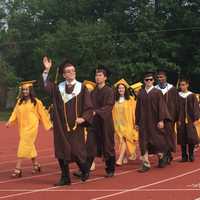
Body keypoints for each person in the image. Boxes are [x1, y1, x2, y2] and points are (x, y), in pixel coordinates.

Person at [42, 56, 93, 186]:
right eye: (68, 71)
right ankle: (65, 178)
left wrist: (84, 118)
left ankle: (84, 169)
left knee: (77, 150)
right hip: (61, 125)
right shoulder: (58, 88)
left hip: (76, 125)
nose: (71, 73)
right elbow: (47, 87)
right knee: (61, 150)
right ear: (63, 75)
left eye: (73, 71)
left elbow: (88, 106)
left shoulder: (82, 88)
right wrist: (47, 70)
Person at [6, 80, 52, 178]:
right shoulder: (20, 101)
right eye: (23, 90)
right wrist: (10, 121)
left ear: (30, 90)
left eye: (27, 89)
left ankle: (18, 169)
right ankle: (36, 164)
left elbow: (42, 114)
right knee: (29, 145)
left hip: (32, 127)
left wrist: (48, 125)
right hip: (22, 126)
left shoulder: (36, 102)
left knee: (23, 144)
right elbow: (15, 112)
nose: (25, 92)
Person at [135, 72, 171, 172]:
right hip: (143, 122)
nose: (149, 81)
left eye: (150, 80)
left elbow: (162, 107)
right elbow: (137, 109)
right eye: (147, 80)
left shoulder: (157, 92)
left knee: (157, 142)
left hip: (154, 121)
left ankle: (161, 155)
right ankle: (146, 164)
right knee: (143, 142)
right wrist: (137, 122)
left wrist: (161, 120)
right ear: (144, 81)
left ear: (153, 81)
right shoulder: (141, 93)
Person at [89, 65, 116, 177]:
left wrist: (97, 112)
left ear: (105, 78)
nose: (97, 77)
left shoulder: (109, 91)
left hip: (105, 123)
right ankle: (85, 170)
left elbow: (109, 106)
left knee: (108, 146)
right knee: (90, 145)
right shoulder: (93, 92)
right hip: (94, 123)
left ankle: (110, 169)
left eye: (100, 75)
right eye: (96, 75)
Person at [155, 69, 179, 163]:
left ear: (165, 77)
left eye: (161, 77)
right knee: (160, 137)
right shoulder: (155, 89)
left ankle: (167, 153)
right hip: (158, 118)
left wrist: (177, 117)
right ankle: (164, 156)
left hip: (170, 117)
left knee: (168, 136)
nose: (160, 79)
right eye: (158, 77)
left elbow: (176, 104)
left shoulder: (172, 89)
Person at [112, 79, 138, 166]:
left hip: (128, 124)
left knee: (124, 139)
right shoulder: (114, 101)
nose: (121, 90)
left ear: (125, 89)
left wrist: (135, 123)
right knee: (119, 141)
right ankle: (124, 156)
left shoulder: (130, 100)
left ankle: (119, 159)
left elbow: (134, 112)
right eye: (119, 88)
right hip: (118, 124)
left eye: (122, 88)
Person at [177, 79, 200, 162]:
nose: (182, 87)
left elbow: (196, 108)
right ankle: (184, 156)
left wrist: (196, 118)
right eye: (180, 85)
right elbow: (176, 108)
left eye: (183, 85)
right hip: (181, 119)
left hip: (190, 119)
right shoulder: (178, 95)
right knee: (182, 138)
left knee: (191, 137)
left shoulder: (192, 95)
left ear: (187, 85)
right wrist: (177, 118)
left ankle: (191, 155)